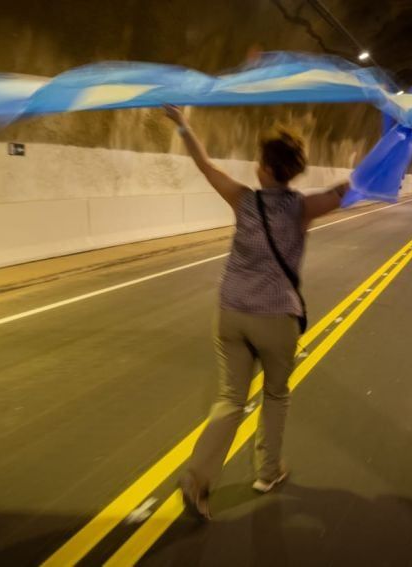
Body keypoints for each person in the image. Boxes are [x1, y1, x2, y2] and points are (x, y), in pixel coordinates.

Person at [163, 105, 349, 520]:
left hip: (231, 312)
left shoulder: (242, 199)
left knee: (230, 397)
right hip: (275, 317)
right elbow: (347, 190)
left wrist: (183, 125)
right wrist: (394, 148)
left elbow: (203, 163)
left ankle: (197, 479)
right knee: (276, 395)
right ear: (293, 171)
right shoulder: (303, 208)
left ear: (263, 167)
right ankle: (267, 473)